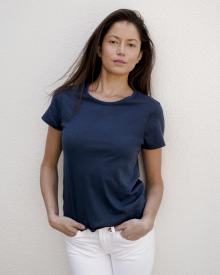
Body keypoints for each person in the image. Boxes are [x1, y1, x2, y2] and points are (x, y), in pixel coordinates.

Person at [40, 8, 166, 275]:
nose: (121, 50)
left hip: (130, 237)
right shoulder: (66, 101)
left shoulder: (148, 110)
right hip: (81, 236)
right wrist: (52, 216)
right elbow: (49, 164)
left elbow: (155, 180)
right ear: (99, 48)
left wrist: (147, 222)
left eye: (130, 45)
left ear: (139, 56)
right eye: (113, 41)